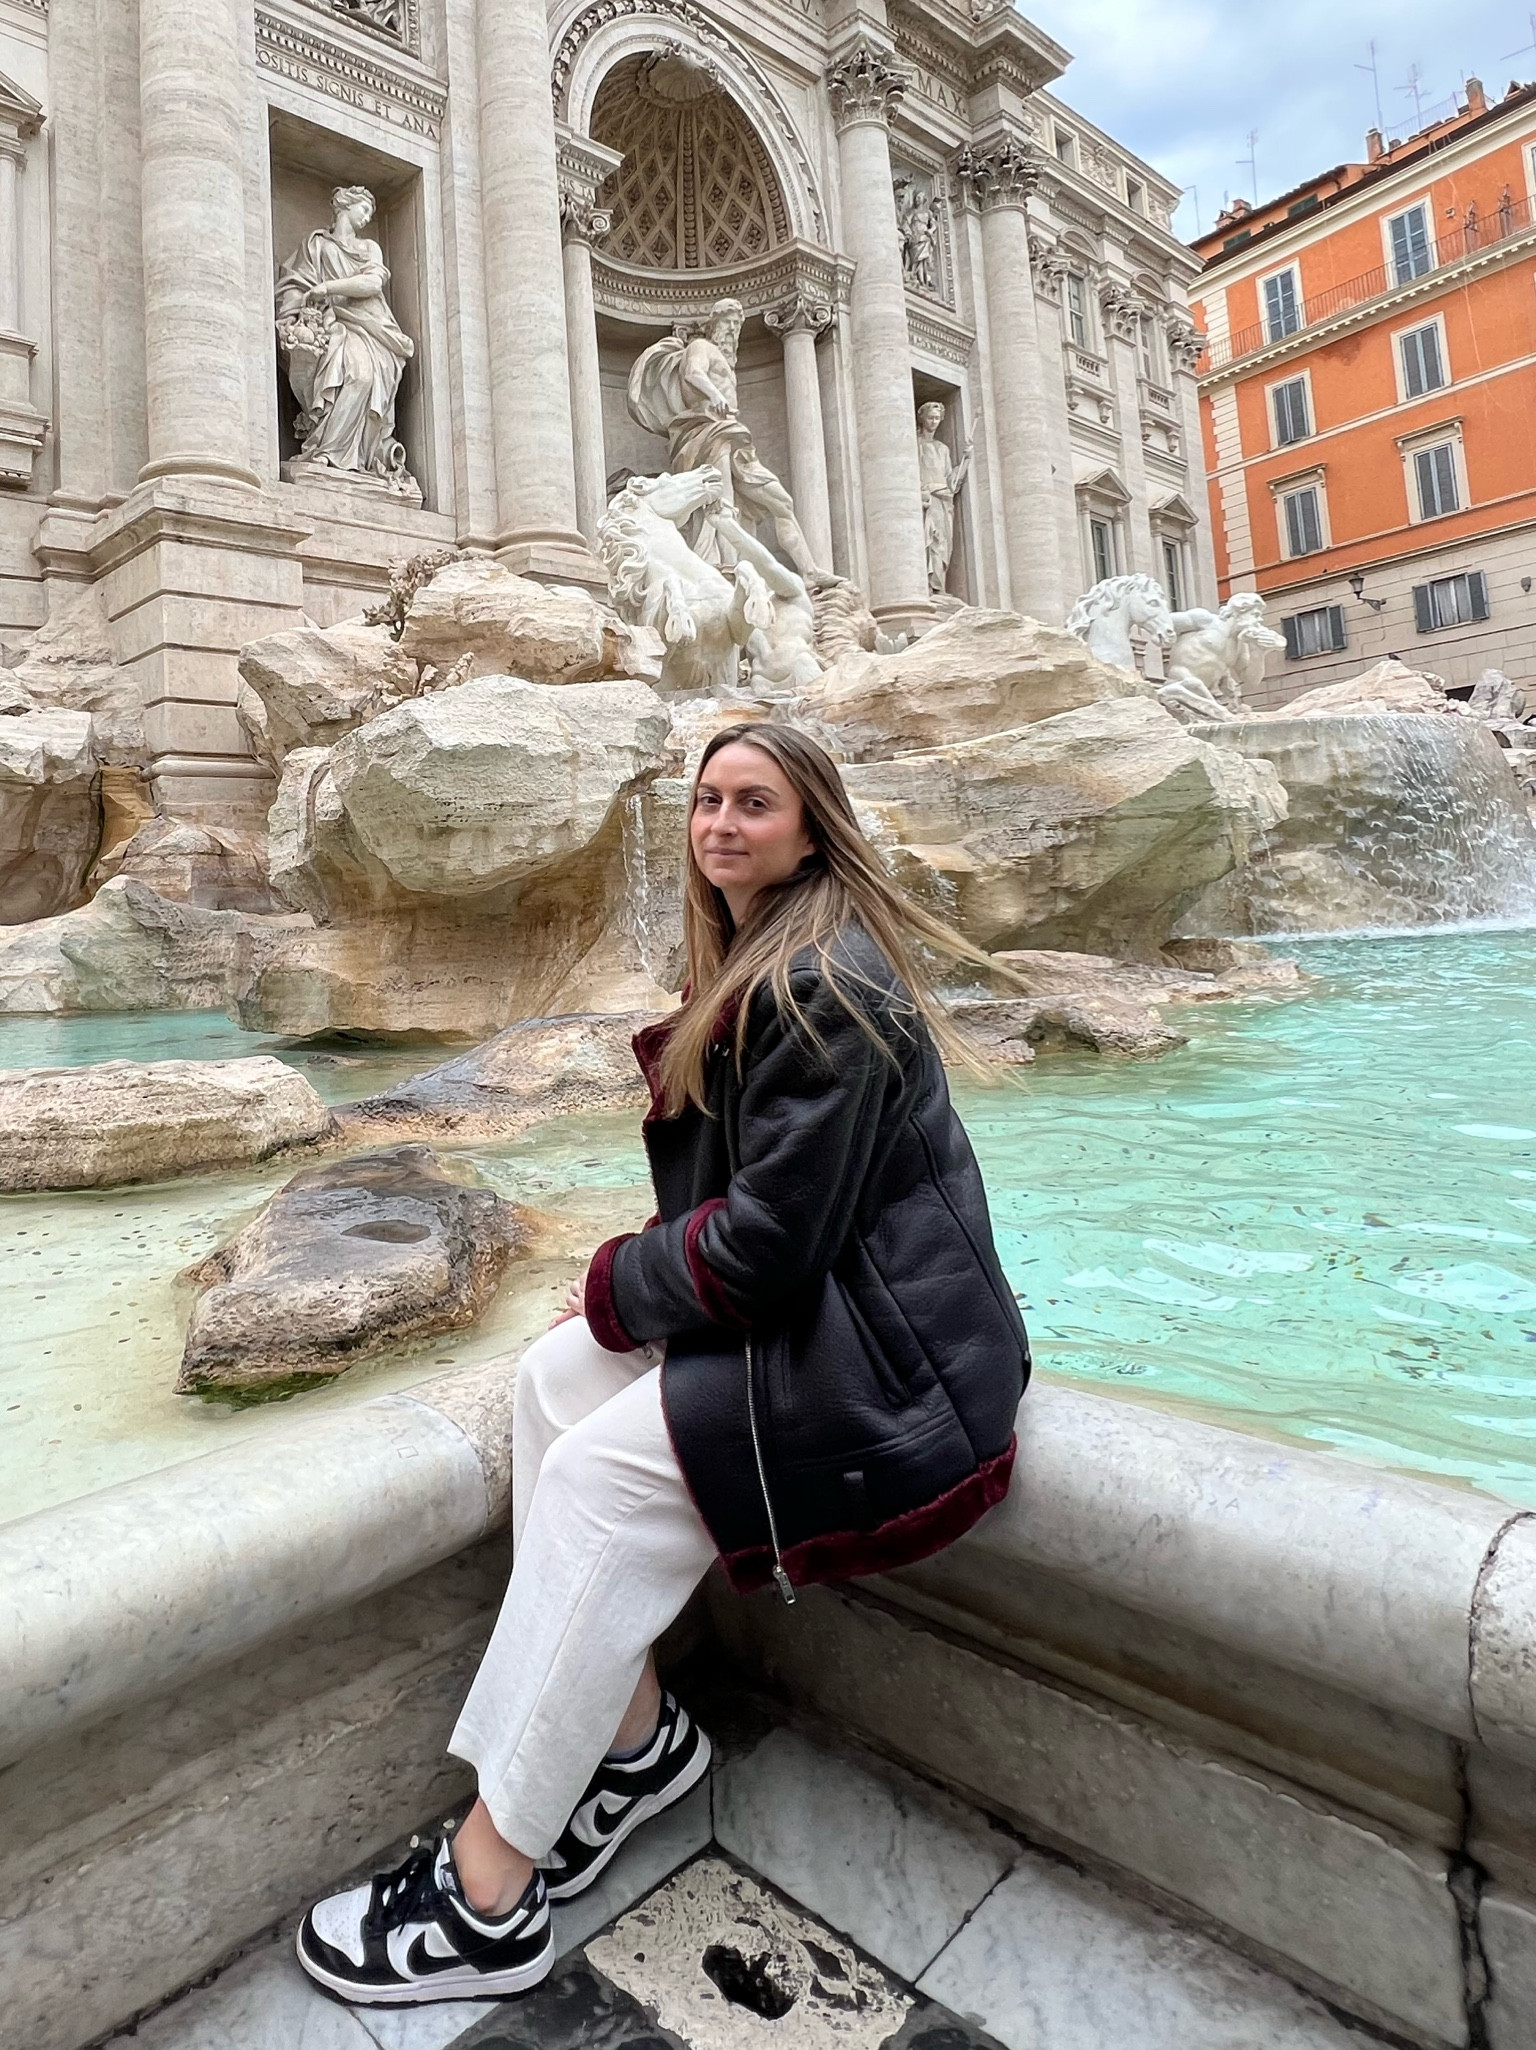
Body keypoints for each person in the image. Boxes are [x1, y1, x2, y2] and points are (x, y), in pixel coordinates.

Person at [295, 723, 1031, 2006]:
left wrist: (617, 1278)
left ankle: (489, 1888)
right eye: (708, 801)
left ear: (812, 830)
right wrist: (622, 1302)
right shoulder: (771, 954)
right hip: (834, 1318)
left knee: (594, 1479)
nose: (722, 824)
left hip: (882, 1359)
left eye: (757, 803)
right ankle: (635, 1748)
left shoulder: (823, 985)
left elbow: (761, 1257)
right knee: (549, 1381)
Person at [627, 299, 828, 582]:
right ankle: (727, 570)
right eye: (728, 322)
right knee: (722, 500)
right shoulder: (701, 347)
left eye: (737, 324)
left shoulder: (726, 360)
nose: (733, 329)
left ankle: (809, 571)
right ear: (713, 324)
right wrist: (715, 395)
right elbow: (692, 373)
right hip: (708, 431)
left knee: (781, 501)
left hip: (733, 434)